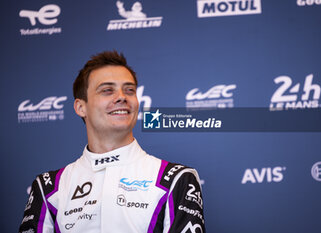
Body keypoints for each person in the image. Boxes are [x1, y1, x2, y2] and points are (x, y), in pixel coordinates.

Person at [19, 50, 205, 233]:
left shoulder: (176, 179)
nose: (122, 97)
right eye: (107, 90)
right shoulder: (49, 187)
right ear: (81, 107)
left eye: (129, 90)